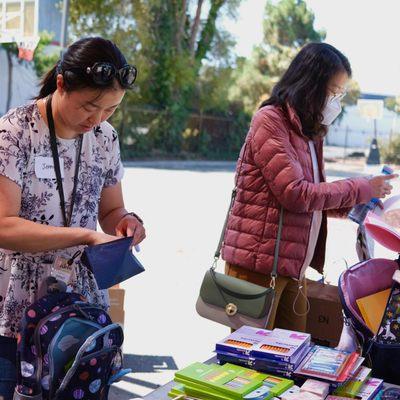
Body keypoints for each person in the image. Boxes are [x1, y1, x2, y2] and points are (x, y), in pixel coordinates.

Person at [0, 37, 145, 398]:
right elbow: (3, 225)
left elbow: (111, 210)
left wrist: (125, 223)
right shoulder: (15, 133)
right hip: (17, 300)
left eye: (110, 110)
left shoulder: (104, 138)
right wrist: (85, 236)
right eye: (89, 106)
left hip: (78, 302)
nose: (96, 119)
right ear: (61, 83)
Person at [222, 42, 396, 333]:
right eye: (333, 91)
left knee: (293, 359)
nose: (336, 101)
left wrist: (364, 205)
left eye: (340, 93)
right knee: (252, 364)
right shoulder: (270, 120)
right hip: (257, 267)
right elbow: (296, 194)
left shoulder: (309, 132)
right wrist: (362, 187)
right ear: (310, 85)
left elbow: (316, 196)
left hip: (291, 267)